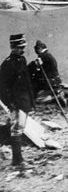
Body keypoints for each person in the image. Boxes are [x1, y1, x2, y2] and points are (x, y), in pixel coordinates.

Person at [0, 33, 34, 167]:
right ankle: (18, 160)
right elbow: (2, 87)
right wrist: (10, 104)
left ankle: (18, 159)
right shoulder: (8, 64)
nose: (23, 49)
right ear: (13, 47)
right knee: (17, 128)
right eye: (20, 47)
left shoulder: (22, 60)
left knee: (20, 127)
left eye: (24, 46)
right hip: (16, 102)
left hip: (24, 101)